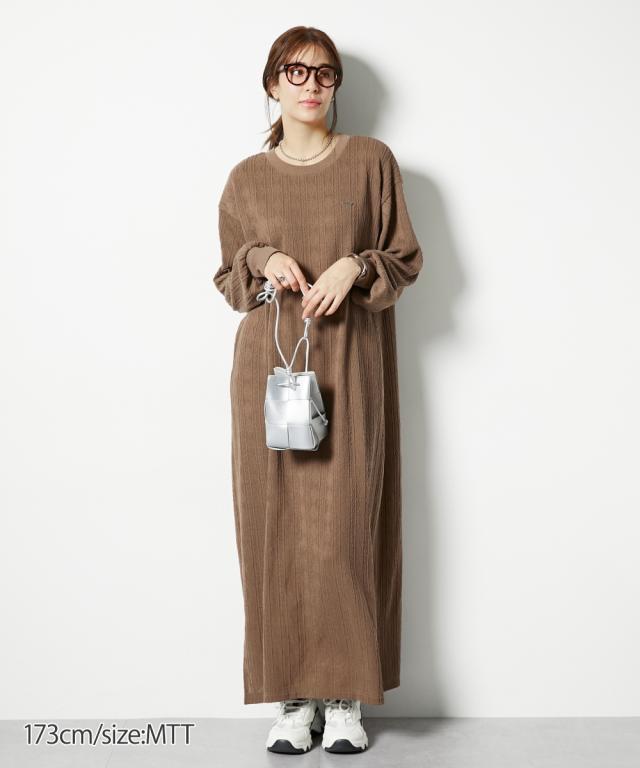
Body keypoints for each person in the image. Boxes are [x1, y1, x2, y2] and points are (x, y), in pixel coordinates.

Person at [213, 25, 423, 754]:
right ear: (272, 84)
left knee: (343, 528)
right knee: (273, 529)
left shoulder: (371, 162)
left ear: (336, 86)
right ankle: (292, 698)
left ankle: (343, 698)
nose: (311, 85)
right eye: (295, 72)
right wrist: (262, 256)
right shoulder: (246, 179)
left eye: (324, 74)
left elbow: (403, 257)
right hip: (270, 372)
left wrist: (354, 265)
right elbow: (229, 281)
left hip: (351, 365)